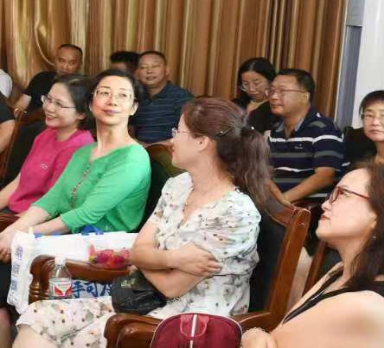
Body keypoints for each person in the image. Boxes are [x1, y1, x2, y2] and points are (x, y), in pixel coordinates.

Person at [13, 97, 271, 348]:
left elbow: (172, 287)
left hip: (191, 323)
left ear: (202, 142)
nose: (171, 139)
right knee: (40, 314)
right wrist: (171, 259)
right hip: (144, 299)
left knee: (84, 338)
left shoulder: (235, 213)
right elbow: (138, 251)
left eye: (178, 131)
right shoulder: (178, 185)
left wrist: (146, 260)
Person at [0, 69, 150, 346]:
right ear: (91, 103)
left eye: (123, 96)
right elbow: (50, 201)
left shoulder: (133, 156)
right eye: (104, 93)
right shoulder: (84, 153)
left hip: (100, 257)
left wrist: (23, 234)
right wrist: (12, 231)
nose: (112, 101)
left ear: (133, 107)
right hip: (67, 244)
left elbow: (86, 213)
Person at [243, 163, 384, 348]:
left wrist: (252, 335)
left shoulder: (364, 307)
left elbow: (271, 341)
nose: (325, 204)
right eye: (332, 194)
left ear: (382, 215)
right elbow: (276, 335)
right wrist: (254, 334)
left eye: (343, 194)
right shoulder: (343, 270)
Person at [0, 75, 94, 214]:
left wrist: (11, 223)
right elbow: (19, 181)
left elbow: (51, 207)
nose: (49, 107)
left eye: (59, 104)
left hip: (32, 219)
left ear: (82, 113)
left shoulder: (79, 148)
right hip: (13, 212)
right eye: (48, 99)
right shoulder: (47, 133)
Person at [268, 69, 345, 204]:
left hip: (312, 208)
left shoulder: (323, 128)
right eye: (272, 90)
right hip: (279, 206)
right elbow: (266, 173)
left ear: (305, 96)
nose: (274, 96)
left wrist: (281, 202)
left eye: (282, 91)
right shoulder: (275, 131)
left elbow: (325, 177)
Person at [130, 51, 193, 144]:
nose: (149, 71)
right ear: (137, 73)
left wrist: (152, 147)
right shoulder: (135, 97)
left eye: (155, 66)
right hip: (139, 149)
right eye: (143, 67)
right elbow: (130, 128)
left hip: (170, 150)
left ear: (167, 70)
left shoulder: (181, 96)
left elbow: (189, 134)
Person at [13, 44, 83, 114]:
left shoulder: (82, 87)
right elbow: (22, 104)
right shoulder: (41, 78)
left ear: (80, 64)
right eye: (61, 61)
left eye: (71, 63)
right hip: (30, 119)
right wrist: (17, 114)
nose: (65, 67)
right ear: (54, 60)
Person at [232, 57, 278, 134]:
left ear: (270, 80)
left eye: (256, 83)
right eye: (246, 84)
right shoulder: (235, 105)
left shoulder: (277, 107)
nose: (251, 89)